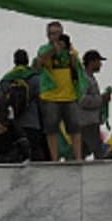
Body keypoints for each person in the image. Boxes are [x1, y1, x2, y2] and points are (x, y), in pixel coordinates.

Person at [36, 22, 84, 161]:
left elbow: (76, 69)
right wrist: (53, 50)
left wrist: (70, 52)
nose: (54, 36)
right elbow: (40, 63)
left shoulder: (70, 50)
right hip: (51, 95)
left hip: (69, 95)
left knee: (75, 128)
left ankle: (78, 157)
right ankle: (54, 158)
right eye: (51, 33)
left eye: (56, 33)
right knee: (51, 129)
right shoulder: (44, 49)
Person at [77, 49, 108, 159]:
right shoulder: (84, 79)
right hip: (87, 122)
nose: (100, 64)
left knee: (82, 152)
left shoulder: (90, 78)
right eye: (99, 61)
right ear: (92, 62)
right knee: (98, 152)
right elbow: (82, 99)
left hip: (90, 122)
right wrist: (101, 99)